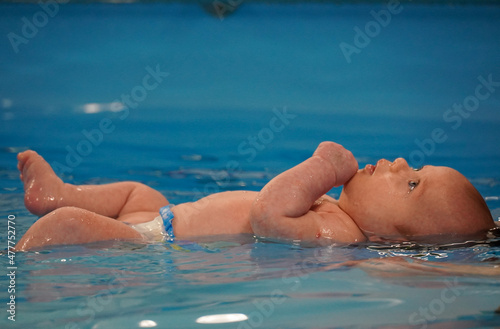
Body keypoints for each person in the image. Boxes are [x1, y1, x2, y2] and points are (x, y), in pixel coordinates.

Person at [15, 142, 496, 251]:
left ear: (395, 236)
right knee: (138, 192)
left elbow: (267, 215)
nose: (399, 166)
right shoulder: (336, 214)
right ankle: (56, 193)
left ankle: (18, 256)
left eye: (412, 183)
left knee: (70, 226)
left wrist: (323, 169)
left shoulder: (338, 231)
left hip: (149, 243)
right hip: (163, 215)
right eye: (415, 167)